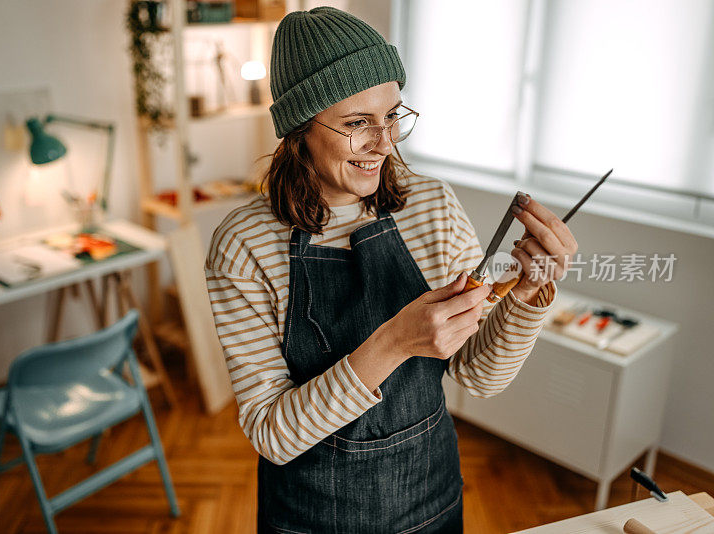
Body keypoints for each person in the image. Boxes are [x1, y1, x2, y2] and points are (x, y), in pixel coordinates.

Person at [204, 6, 577, 533]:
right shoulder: (244, 243)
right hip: (312, 514)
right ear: (299, 127)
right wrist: (394, 344)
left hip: (431, 497)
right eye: (358, 124)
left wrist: (527, 292)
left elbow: (478, 374)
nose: (386, 143)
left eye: (392, 116)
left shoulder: (432, 205)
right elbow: (272, 434)